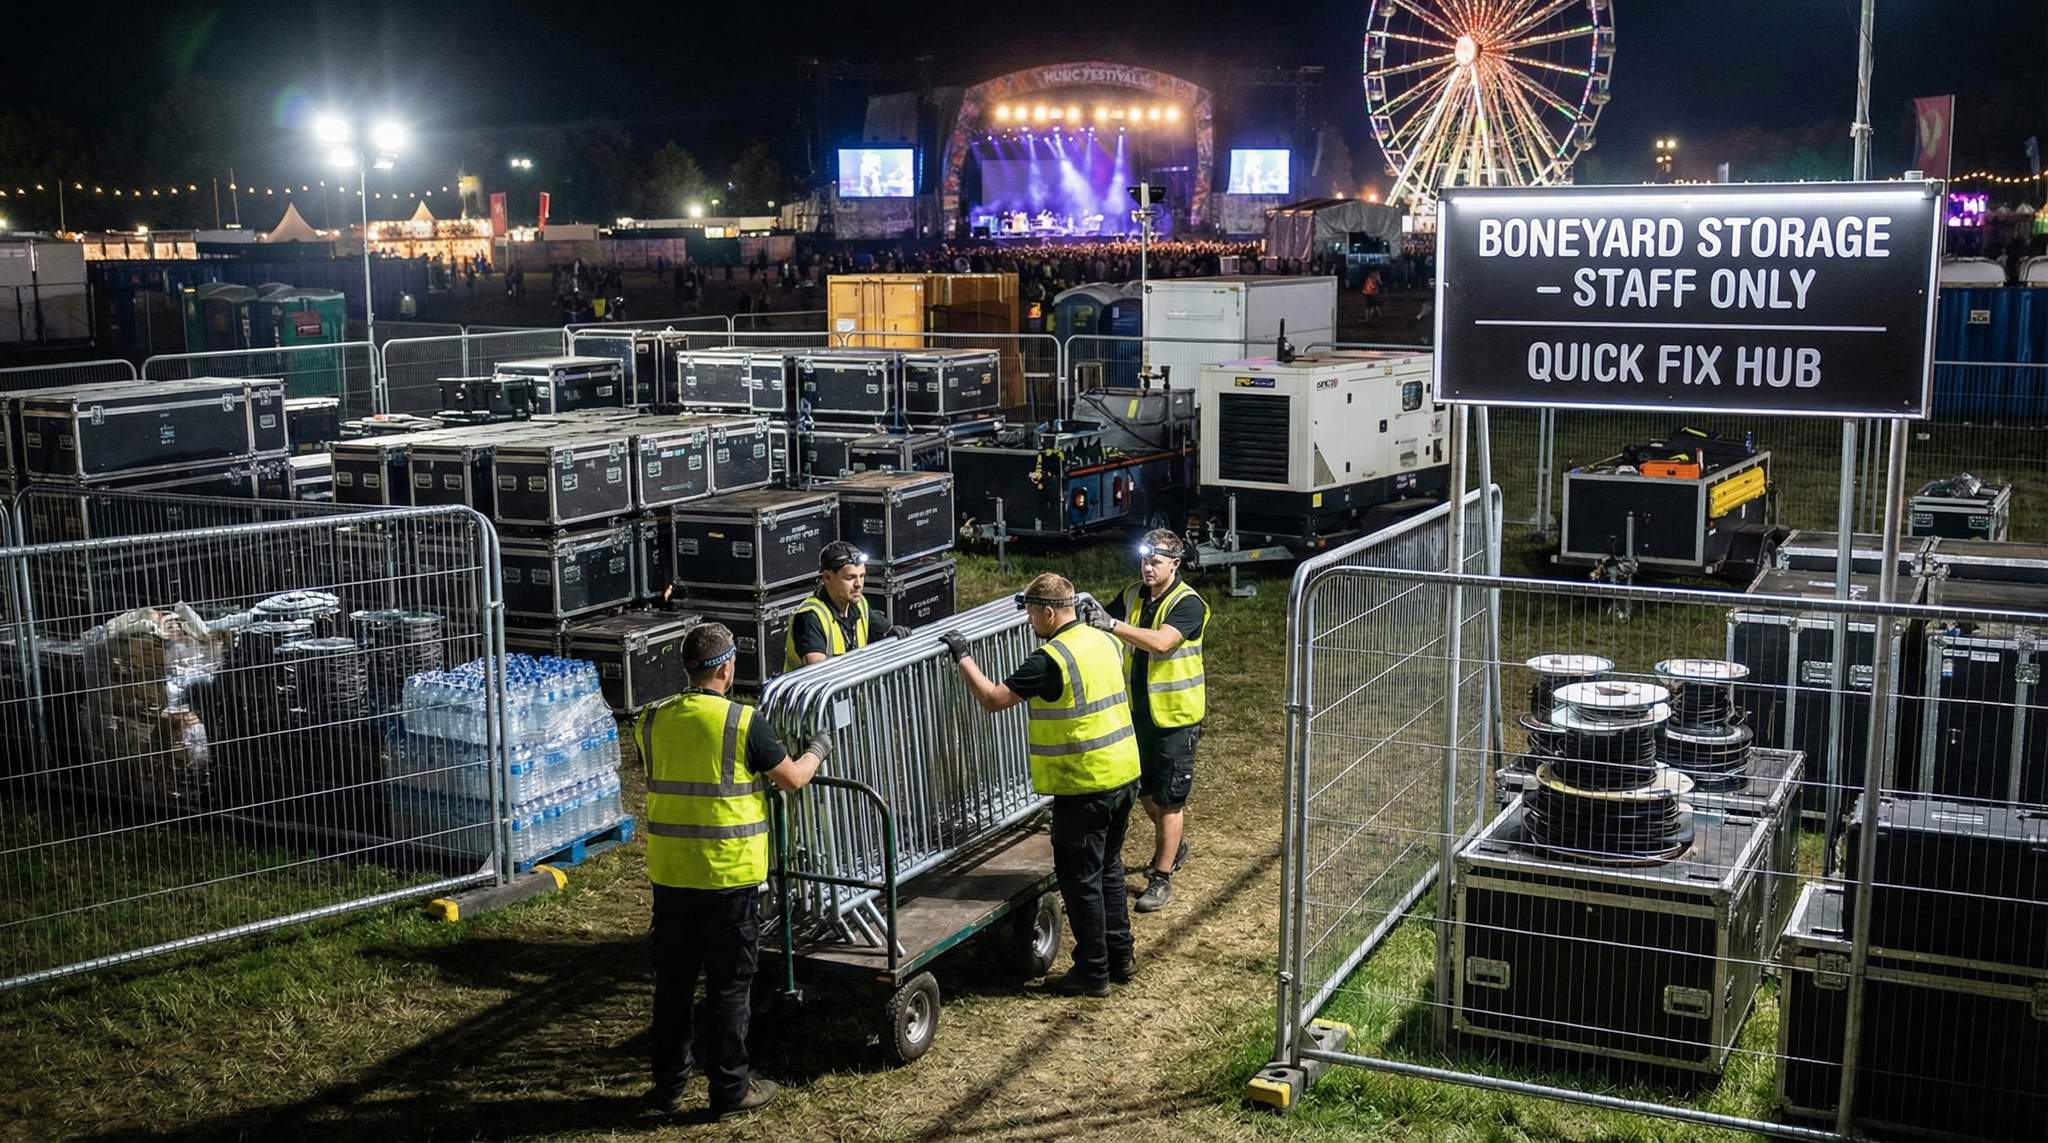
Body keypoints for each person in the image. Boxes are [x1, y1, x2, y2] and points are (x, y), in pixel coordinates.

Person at [638, 623, 830, 1120]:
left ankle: (668, 1088)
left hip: (671, 875)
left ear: (687, 667)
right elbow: (791, 779)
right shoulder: (744, 723)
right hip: (728, 879)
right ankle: (729, 1090)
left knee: (674, 988)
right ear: (727, 668)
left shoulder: (650, 719)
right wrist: (817, 750)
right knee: (728, 988)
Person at [941, 573, 1140, 997]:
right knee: (1109, 868)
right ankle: (1122, 958)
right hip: (1124, 773)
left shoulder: (1051, 659)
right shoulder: (1103, 640)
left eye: (1032, 613)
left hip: (1084, 783)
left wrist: (963, 657)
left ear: (1048, 612)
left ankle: (1093, 971)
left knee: (1080, 879)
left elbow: (994, 699)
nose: (1030, 622)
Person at [1085, 530, 1207, 913]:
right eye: (1144, 560)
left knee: (1170, 802)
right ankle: (1174, 845)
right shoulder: (1133, 594)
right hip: (1137, 715)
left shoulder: (1188, 604)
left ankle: (1161, 877)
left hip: (1176, 718)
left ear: (1176, 563)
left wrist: (1112, 626)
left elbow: (1161, 643)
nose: (1148, 568)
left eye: (1156, 561)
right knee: (1143, 792)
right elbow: (1098, 623)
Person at [782, 541, 908, 671]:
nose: (858, 584)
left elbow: (884, 629)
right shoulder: (810, 616)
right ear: (827, 578)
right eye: (850, 578)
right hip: (824, 690)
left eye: (862, 576)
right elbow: (817, 670)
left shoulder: (859, 603)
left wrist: (892, 634)